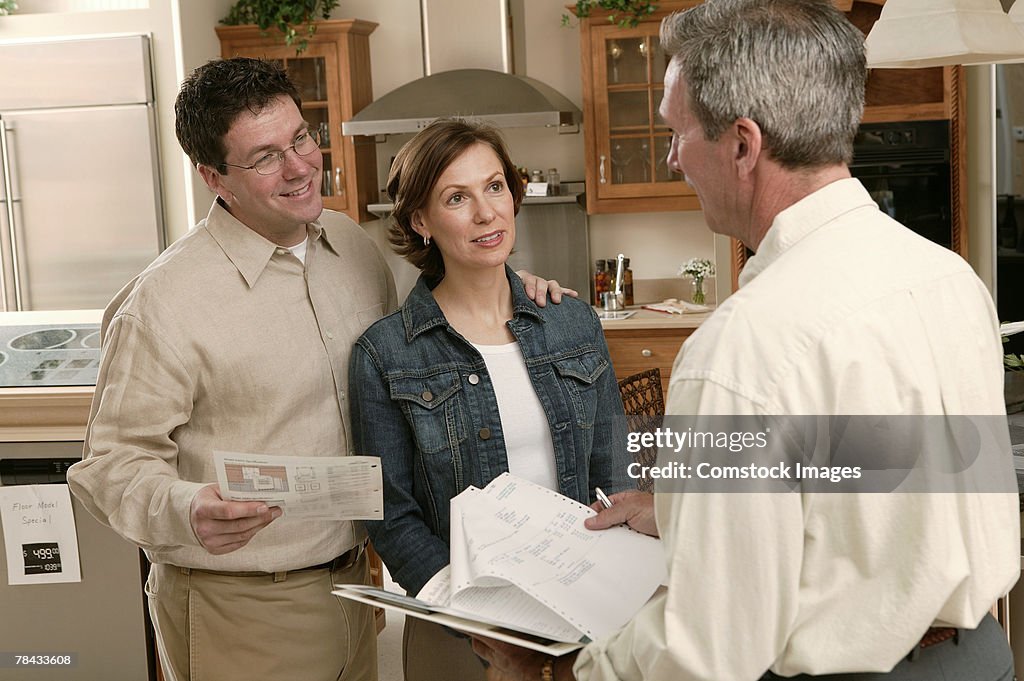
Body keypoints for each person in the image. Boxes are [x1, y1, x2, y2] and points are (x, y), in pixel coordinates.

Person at [473, 1, 1021, 680]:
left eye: (677, 132)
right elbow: (868, 470)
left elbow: (705, 651)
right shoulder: (948, 278)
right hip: (984, 660)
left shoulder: (743, 346)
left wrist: (561, 671)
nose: (672, 156)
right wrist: (683, 508)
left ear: (741, 144)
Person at [66, 58, 571, 681]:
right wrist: (186, 506)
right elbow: (109, 463)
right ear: (212, 176)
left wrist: (520, 294)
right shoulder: (165, 303)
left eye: (301, 138)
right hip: (241, 607)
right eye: (265, 157)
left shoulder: (353, 249)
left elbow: (430, 341)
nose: (301, 166)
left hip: (356, 591)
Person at [348, 118, 632, 681]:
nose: (486, 213)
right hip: (459, 628)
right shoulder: (385, 355)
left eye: (495, 186)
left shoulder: (571, 322)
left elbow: (612, 466)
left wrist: (613, 588)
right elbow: (390, 514)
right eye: (458, 197)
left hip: (585, 617)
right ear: (420, 221)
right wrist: (480, 618)